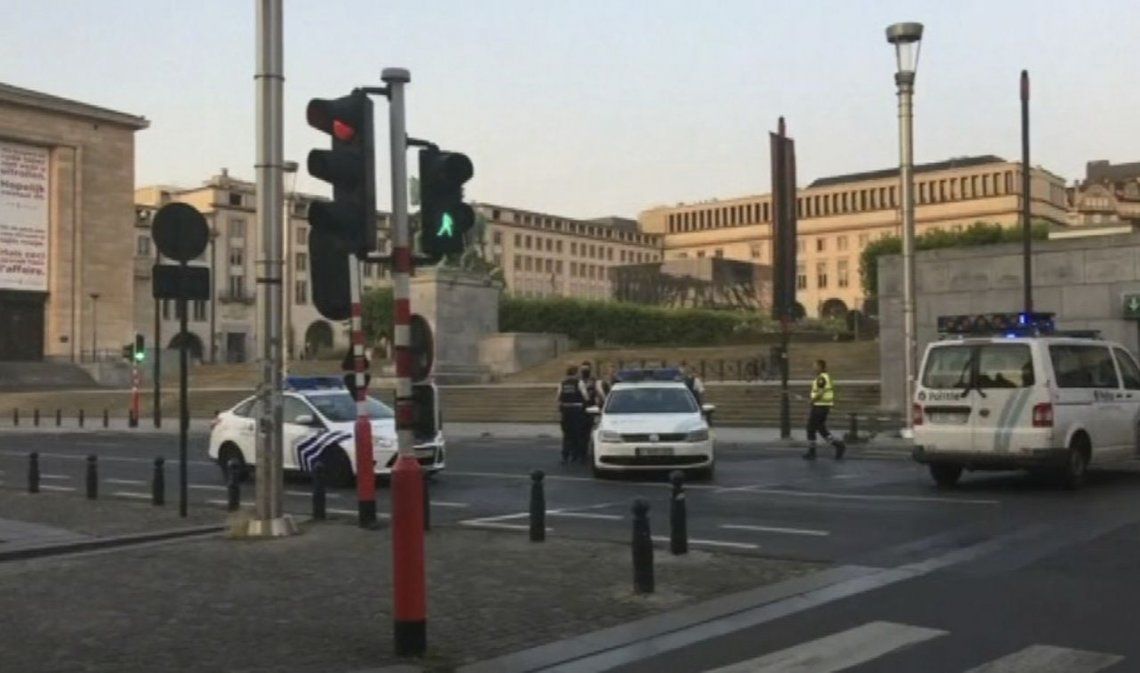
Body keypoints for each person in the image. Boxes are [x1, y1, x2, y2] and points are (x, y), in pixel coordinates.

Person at [804, 359, 846, 460]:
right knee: (821, 429)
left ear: (820, 367)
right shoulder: (825, 377)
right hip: (823, 407)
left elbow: (821, 392)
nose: (813, 368)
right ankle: (838, 445)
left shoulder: (822, 378)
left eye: (815, 366)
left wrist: (812, 400)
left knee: (810, 428)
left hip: (819, 406)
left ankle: (812, 452)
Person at [556, 364, 589, 465]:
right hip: (577, 410)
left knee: (567, 435)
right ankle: (579, 456)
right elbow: (585, 396)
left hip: (566, 411)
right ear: (576, 373)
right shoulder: (579, 382)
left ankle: (565, 456)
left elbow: (558, 397)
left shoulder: (562, 383)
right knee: (578, 434)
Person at [577, 361, 599, 463]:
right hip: (580, 410)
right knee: (581, 433)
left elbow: (596, 393)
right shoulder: (578, 381)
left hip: (591, 409)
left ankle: (586, 453)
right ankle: (581, 453)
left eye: (587, 369)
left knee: (588, 433)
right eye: (583, 369)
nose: (585, 371)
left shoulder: (593, 380)